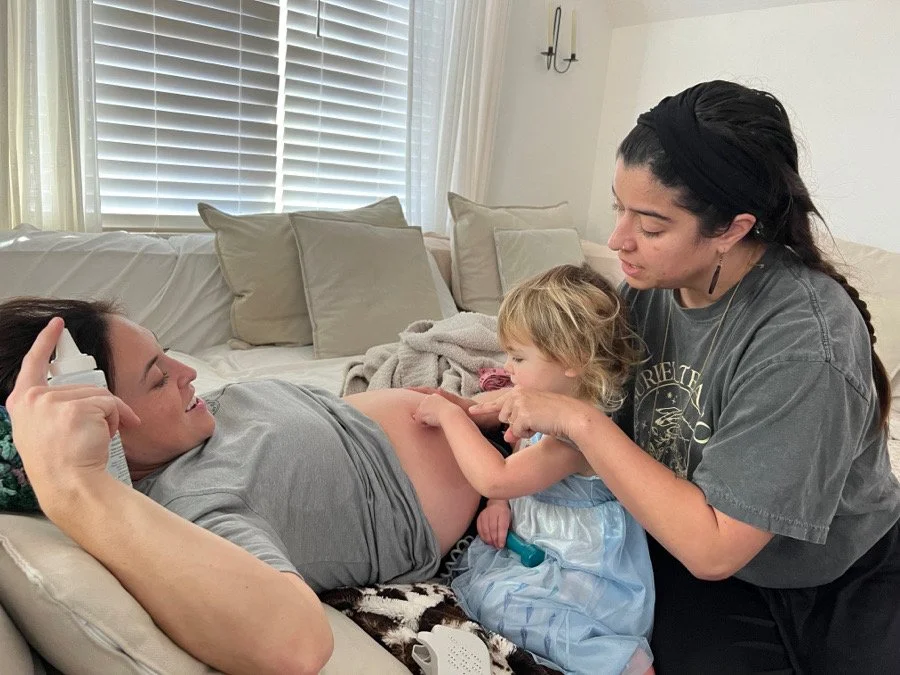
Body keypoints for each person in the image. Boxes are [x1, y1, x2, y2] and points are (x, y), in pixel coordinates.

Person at [464, 81, 900, 674]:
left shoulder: (803, 345)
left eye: (650, 224)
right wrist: (514, 405)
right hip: (690, 547)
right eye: (618, 207)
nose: (617, 241)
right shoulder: (646, 293)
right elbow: (598, 396)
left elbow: (714, 548)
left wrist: (574, 419)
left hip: (833, 575)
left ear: (730, 229)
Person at [0, 297, 484, 675]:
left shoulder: (184, 429)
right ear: (102, 429)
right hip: (503, 481)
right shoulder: (190, 507)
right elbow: (295, 647)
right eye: (158, 379)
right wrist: (76, 485)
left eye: (167, 354)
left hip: (470, 410)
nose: (187, 373)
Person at [412, 264, 655, 675]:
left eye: (519, 357)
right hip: (540, 541)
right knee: (485, 588)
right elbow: (507, 455)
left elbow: (497, 474)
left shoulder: (580, 436)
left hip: (583, 568)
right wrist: (498, 500)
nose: (506, 367)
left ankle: (621, 662)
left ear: (573, 360)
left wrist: (448, 417)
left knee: (497, 600)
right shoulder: (539, 397)